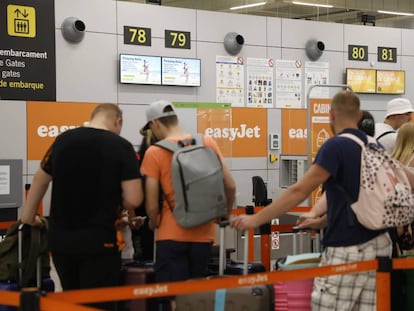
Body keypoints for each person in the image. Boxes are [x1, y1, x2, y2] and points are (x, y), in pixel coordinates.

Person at [231, 91, 394, 310]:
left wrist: (255, 219)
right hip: (380, 246)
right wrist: (321, 221)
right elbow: (359, 200)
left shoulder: (336, 146)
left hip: (347, 249)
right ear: (359, 116)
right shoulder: (374, 146)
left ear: (331, 115)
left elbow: (299, 190)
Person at [21, 103, 143, 311]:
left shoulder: (62, 141)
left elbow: (40, 180)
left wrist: (28, 217)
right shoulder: (121, 146)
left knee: (71, 302)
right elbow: (133, 199)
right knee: (99, 304)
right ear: (117, 121)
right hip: (99, 242)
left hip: (61, 242)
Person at [140, 99, 236, 311]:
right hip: (204, 234)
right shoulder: (206, 141)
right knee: (197, 297)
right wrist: (224, 215)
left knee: (174, 298)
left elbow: (152, 204)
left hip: (171, 235)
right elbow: (230, 186)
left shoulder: (154, 152)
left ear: (155, 123)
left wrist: (153, 223)